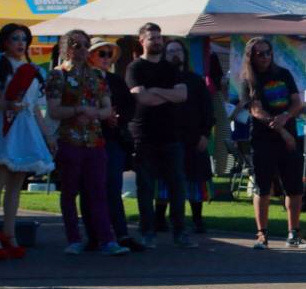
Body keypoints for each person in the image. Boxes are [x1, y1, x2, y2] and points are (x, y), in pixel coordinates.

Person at [46, 30, 130, 256]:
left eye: (85, 45)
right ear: (67, 48)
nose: (83, 50)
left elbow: (107, 107)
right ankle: (74, 238)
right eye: (77, 45)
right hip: (69, 140)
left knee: (98, 191)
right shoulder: (58, 75)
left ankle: (107, 240)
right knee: (70, 191)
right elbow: (53, 110)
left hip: (94, 141)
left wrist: (94, 113)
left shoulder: (97, 76)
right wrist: (78, 110)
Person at [0, 24, 55, 260]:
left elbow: (34, 108)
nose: (20, 43)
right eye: (15, 38)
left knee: (16, 183)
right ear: (5, 42)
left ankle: (10, 234)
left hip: (27, 128)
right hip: (5, 126)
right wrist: (10, 104)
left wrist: (47, 135)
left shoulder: (33, 70)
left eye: (24, 39)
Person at [125, 22, 196, 249]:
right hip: (144, 134)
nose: (157, 41)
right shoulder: (135, 68)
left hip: (171, 134)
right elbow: (143, 98)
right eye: (152, 38)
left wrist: (155, 90)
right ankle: (148, 231)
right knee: (146, 186)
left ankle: (180, 232)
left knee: (177, 185)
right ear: (142, 41)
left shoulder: (170, 68)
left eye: (159, 37)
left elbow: (182, 95)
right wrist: (166, 94)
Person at [240, 37, 306, 249]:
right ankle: (262, 234)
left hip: (289, 137)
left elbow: (297, 102)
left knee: (294, 187)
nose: (265, 57)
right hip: (263, 139)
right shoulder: (248, 80)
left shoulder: (283, 74)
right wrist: (282, 130)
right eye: (260, 54)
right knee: (263, 187)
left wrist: (286, 116)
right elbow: (256, 111)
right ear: (251, 57)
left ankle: (294, 233)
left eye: (268, 53)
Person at [83, 37, 143, 252]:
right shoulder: (83, 79)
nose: (106, 58)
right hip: (88, 139)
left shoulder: (115, 80)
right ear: (90, 56)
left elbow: (130, 106)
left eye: (109, 54)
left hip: (112, 139)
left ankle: (122, 234)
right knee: (89, 188)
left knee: (113, 187)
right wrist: (103, 116)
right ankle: (92, 236)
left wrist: (119, 118)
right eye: (102, 53)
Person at [154, 40, 215, 234]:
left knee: (195, 180)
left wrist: (205, 134)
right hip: (166, 138)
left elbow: (207, 109)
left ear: (184, 54)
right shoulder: (158, 79)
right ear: (164, 55)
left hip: (193, 139)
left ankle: (197, 220)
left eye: (178, 50)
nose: (175, 54)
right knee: (164, 179)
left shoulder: (195, 80)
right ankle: (159, 219)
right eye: (170, 51)